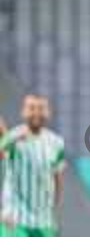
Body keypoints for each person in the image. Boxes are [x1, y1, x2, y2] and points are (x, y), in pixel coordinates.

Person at [0, 95, 65, 237]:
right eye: (31, 108)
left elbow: (58, 179)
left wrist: (54, 213)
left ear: (48, 112)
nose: (36, 113)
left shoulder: (56, 143)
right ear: (23, 112)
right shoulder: (12, 138)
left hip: (44, 222)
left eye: (41, 108)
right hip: (16, 221)